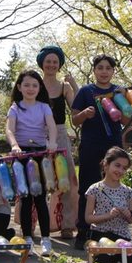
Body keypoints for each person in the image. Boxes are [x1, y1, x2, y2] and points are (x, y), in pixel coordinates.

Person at [71, 54, 130, 250]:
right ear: (94, 70)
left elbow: (127, 121)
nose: (104, 71)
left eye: (108, 68)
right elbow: (74, 120)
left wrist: (124, 100)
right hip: (90, 144)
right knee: (87, 189)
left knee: (113, 187)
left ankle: (111, 231)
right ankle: (83, 231)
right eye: (100, 67)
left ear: (113, 71)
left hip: (113, 146)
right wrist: (84, 114)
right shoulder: (86, 91)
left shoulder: (118, 91)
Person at [6, 70, 57, 256]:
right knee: (25, 199)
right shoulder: (15, 108)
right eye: (26, 85)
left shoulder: (44, 107)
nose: (30, 88)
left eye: (34, 85)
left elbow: (51, 127)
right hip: (21, 156)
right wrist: (14, 145)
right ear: (19, 87)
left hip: (40, 155)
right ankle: (27, 237)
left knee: (40, 198)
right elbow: (10, 130)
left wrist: (52, 143)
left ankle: (45, 239)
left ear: (39, 88)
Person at [37, 45, 79, 239]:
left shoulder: (64, 87)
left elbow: (78, 108)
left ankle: (67, 224)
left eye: (55, 61)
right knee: (37, 178)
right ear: (42, 63)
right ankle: (31, 224)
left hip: (60, 134)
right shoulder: (34, 84)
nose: (51, 65)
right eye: (48, 61)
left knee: (68, 178)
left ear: (59, 64)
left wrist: (74, 84)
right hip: (37, 134)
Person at [84, 147, 132, 263]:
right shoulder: (94, 189)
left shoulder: (128, 191)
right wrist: (108, 215)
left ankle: (116, 257)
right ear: (106, 165)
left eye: (124, 168)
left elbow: (131, 219)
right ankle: (104, 256)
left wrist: (128, 215)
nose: (120, 170)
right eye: (117, 165)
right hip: (101, 235)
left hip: (122, 238)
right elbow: (88, 218)